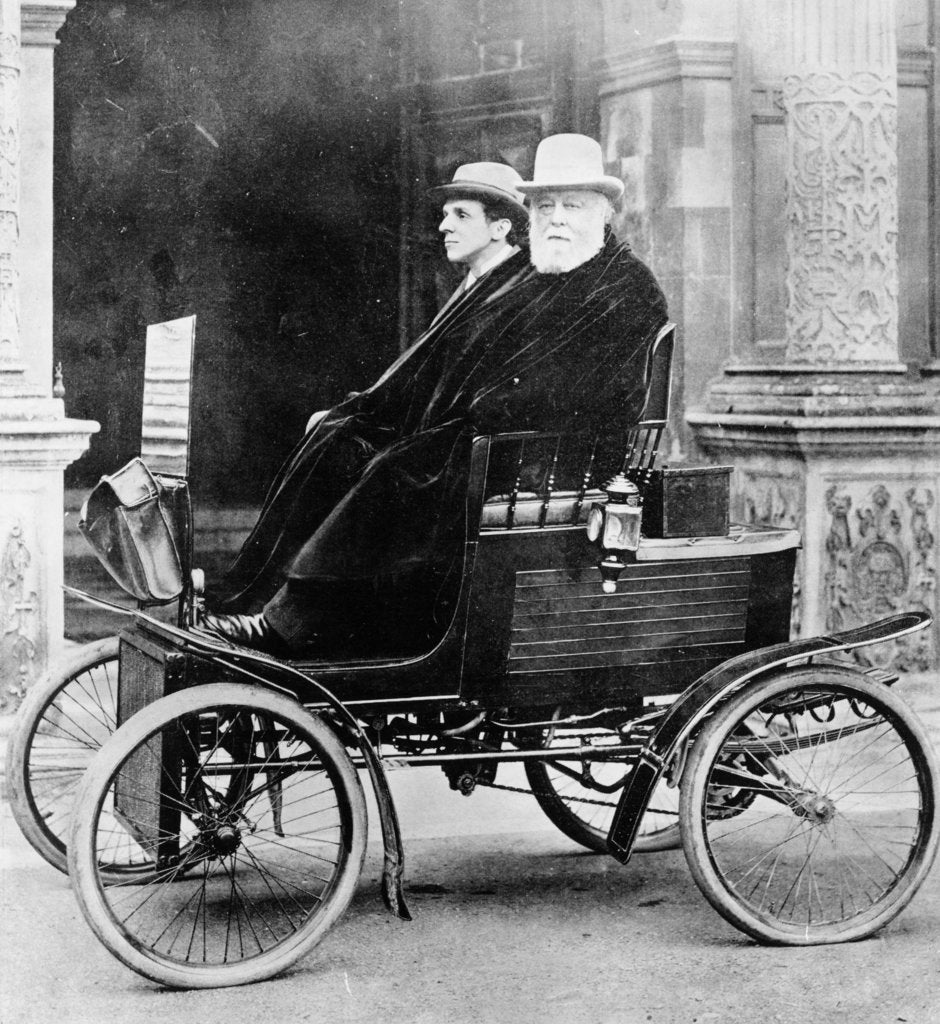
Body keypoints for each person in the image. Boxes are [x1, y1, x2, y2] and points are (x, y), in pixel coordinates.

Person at [202, 134, 668, 657]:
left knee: (398, 471)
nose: (557, 218)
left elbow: (604, 394)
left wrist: (481, 410)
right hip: (502, 439)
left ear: (603, 215)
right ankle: (263, 600)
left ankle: (296, 623)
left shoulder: (625, 287)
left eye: (573, 205)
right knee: (352, 446)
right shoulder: (549, 275)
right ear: (531, 214)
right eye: (546, 206)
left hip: (554, 460)